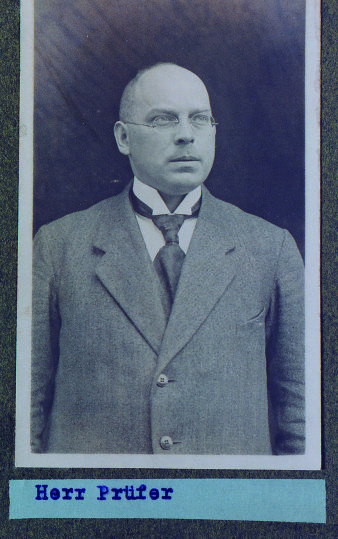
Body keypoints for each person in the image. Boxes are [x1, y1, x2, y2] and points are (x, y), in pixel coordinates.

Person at [31, 62, 305, 455]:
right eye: (163, 120)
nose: (185, 136)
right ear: (124, 137)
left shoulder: (270, 247)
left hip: (223, 509)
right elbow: (24, 407)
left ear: (214, 131)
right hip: (103, 507)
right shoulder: (58, 246)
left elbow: (302, 413)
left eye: (200, 119)